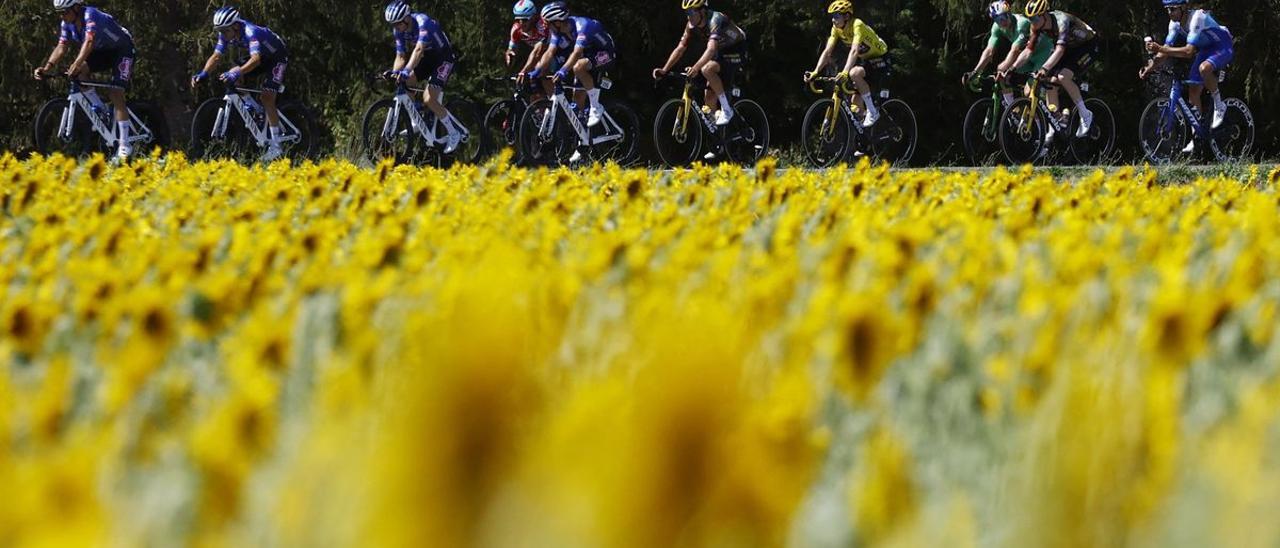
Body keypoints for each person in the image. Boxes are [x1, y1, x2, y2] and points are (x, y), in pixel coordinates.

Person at [34, 0, 136, 161]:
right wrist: (47, 67)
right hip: (102, 52)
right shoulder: (66, 23)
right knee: (79, 75)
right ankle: (101, 109)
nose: (62, 16)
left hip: (121, 50)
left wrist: (76, 63)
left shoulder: (91, 15)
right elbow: (61, 47)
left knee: (115, 93)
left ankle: (125, 144)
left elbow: (89, 41)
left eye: (65, 12)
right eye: (59, 13)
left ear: (76, 7)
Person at [192, 6, 291, 161]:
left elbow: (256, 59)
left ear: (236, 26)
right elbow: (216, 56)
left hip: (276, 57)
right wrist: (203, 73)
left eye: (224, 30)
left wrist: (237, 72)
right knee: (235, 73)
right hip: (260, 57)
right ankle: (255, 109)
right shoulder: (226, 33)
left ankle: (276, 146)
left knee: (267, 97)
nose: (222, 34)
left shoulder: (251, 32)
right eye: (219, 30)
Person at [527, 3, 618, 163]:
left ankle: (596, 106)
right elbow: (550, 52)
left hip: (605, 53)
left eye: (547, 23)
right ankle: (583, 143)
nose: (546, 27)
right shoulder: (558, 30)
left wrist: (562, 71)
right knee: (577, 100)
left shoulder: (582, 26)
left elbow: (576, 53)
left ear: (557, 21)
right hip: (588, 54)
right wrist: (537, 71)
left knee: (578, 66)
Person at [377, 1, 465, 154]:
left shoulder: (423, 22)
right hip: (428, 59)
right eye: (393, 24)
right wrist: (394, 73)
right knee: (406, 81)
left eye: (398, 23)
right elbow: (400, 56)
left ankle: (454, 132)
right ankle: (415, 118)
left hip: (444, 59)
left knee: (429, 98)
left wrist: (406, 70)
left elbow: (418, 50)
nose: (396, 27)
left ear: (406, 19)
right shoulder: (398, 30)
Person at [1140, 0, 1233, 144]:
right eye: (1167, 9)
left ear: (1183, 8)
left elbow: (1189, 52)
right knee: (1193, 90)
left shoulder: (1197, 18)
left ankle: (1219, 104)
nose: (1170, 13)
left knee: (1204, 69)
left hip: (1222, 45)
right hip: (1206, 49)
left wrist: (1160, 49)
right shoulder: (1174, 24)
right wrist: (1149, 68)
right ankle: (1197, 136)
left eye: (1173, 9)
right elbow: (1164, 51)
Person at [652, 0, 749, 127]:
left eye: (691, 11)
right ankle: (719, 135)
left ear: (702, 11)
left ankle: (726, 110)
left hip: (737, 49)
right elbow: (680, 48)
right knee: (709, 99)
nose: (689, 16)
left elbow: (711, 49)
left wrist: (696, 67)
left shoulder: (715, 19)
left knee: (707, 69)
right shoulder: (691, 25)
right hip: (721, 51)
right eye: (686, 12)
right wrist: (664, 70)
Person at [1017, 0, 1099, 138]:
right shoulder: (1038, 27)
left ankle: (1085, 115)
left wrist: (1044, 68)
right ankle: (1057, 119)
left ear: (1044, 15)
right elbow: (1027, 51)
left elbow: (1060, 50)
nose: (1033, 22)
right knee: (1049, 81)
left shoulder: (1062, 20)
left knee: (1062, 76)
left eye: (1035, 18)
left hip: (1088, 46)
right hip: (1070, 49)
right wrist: (1012, 67)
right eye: (1030, 19)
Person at [803, 0, 889, 128]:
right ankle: (866, 136)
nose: (833, 20)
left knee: (854, 73)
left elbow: (854, 50)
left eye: (836, 16)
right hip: (866, 60)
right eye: (832, 16)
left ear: (847, 16)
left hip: (881, 56)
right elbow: (827, 51)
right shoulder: (836, 29)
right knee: (855, 106)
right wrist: (816, 71)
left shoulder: (857, 24)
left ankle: (872, 111)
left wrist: (845, 72)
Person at [964, 1, 1058, 112]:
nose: (1002, 21)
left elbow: (1015, 51)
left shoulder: (1021, 23)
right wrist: (976, 72)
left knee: (1028, 92)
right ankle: (1013, 112)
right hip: (1026, 58)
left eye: (1004, 17)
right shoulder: (997, 27)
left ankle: (1046, 119)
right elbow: (989, 51)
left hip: (1042, 53)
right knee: (1003, 79)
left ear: (1009, 13)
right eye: (998, 19)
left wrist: (1003, 69)